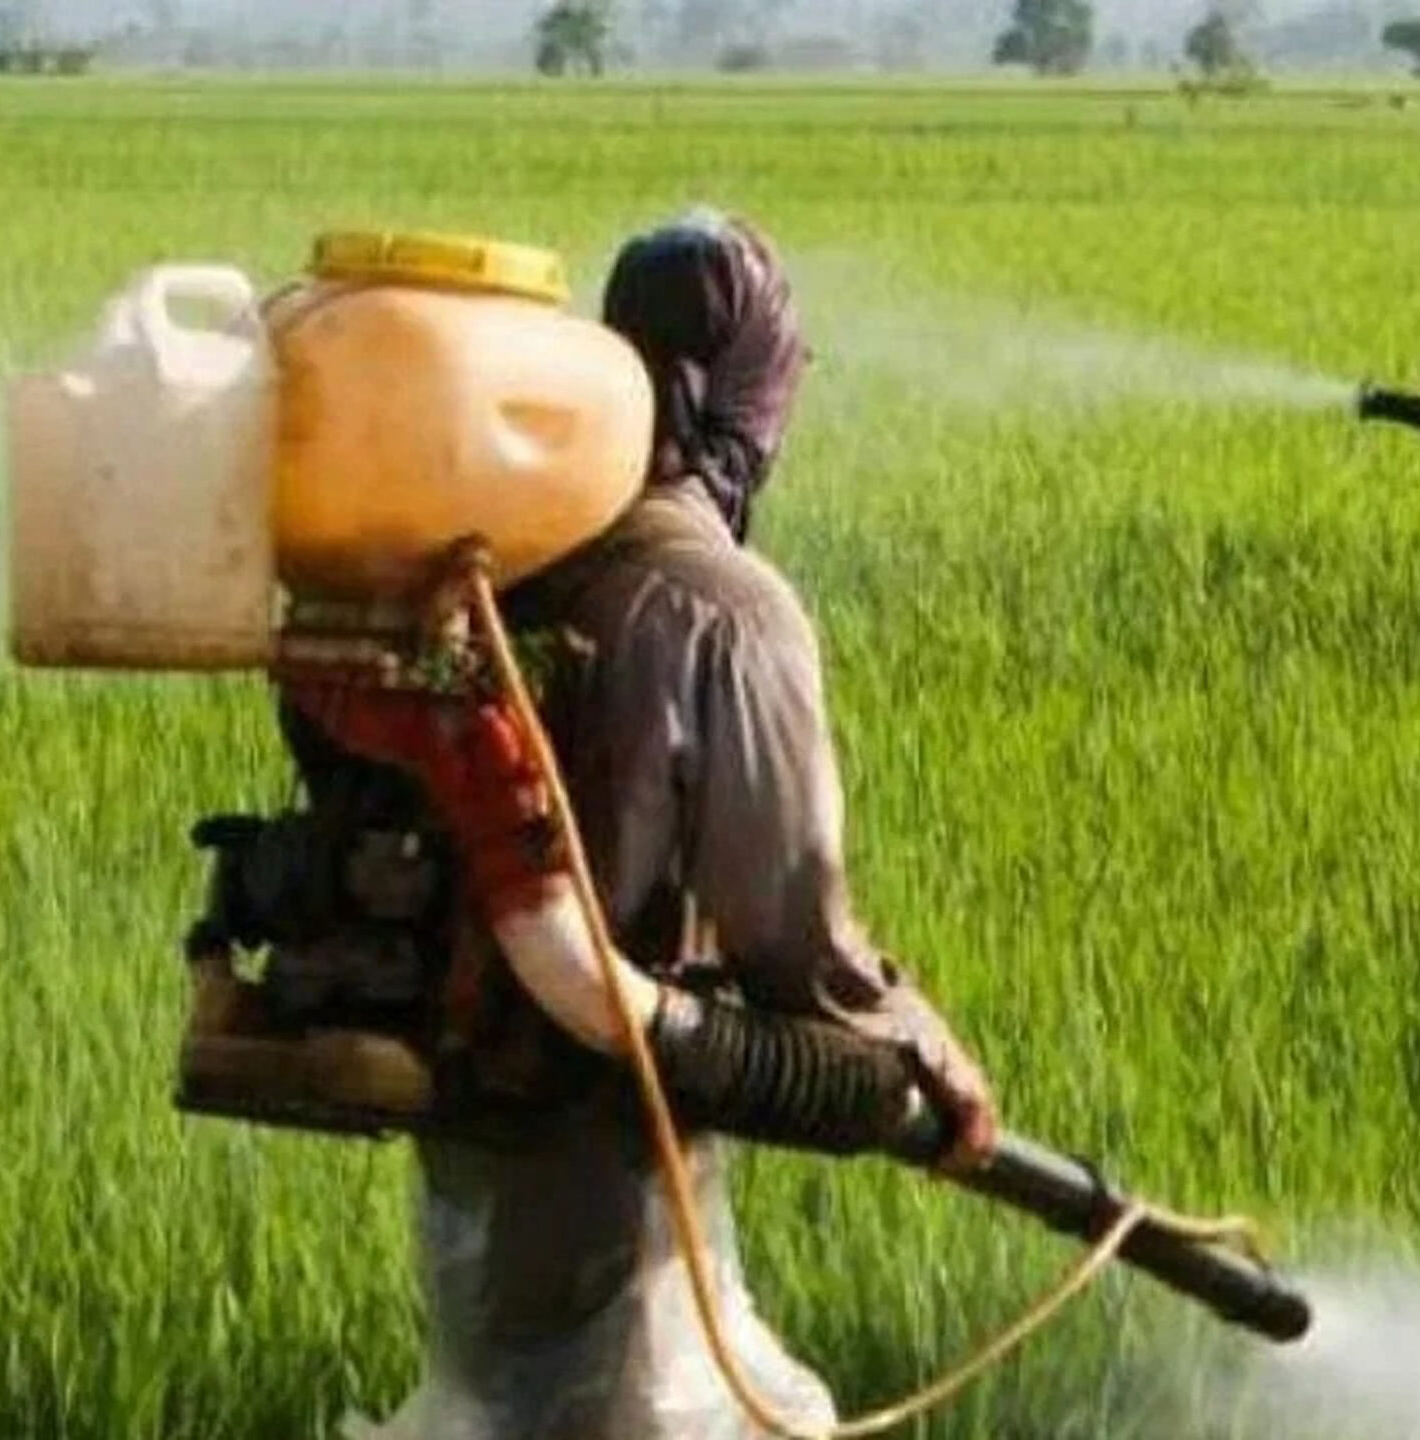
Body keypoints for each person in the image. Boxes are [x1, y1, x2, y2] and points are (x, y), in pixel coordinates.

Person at [303, 209, 999, 1440]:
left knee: (505, 1398)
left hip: (470, 1137)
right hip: (613, 1134)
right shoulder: (717, 606)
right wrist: (917, 1048)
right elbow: (793, 945)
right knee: (614, 1408)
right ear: (738, 394)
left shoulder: (500, 568)